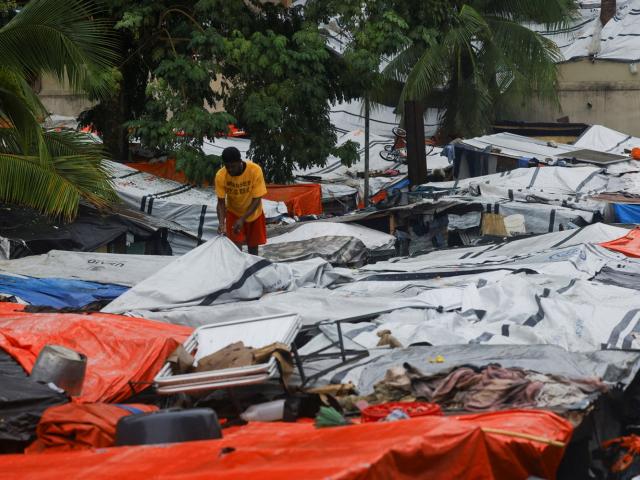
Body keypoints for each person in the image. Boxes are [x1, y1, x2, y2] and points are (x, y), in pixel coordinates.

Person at [215, 146, 268, 255]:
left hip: (254, 214)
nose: (230, 170)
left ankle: (252, 269)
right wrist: (221, 223)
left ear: (240, 162)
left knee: (253, 248)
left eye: (233, 166)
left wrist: (243, 219)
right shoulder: (220, 175)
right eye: (227, 166)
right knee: (235, 248)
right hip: (233, 213)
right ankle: (237, 269)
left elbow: (257, 198)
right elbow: (221, 202)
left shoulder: (255, 170)